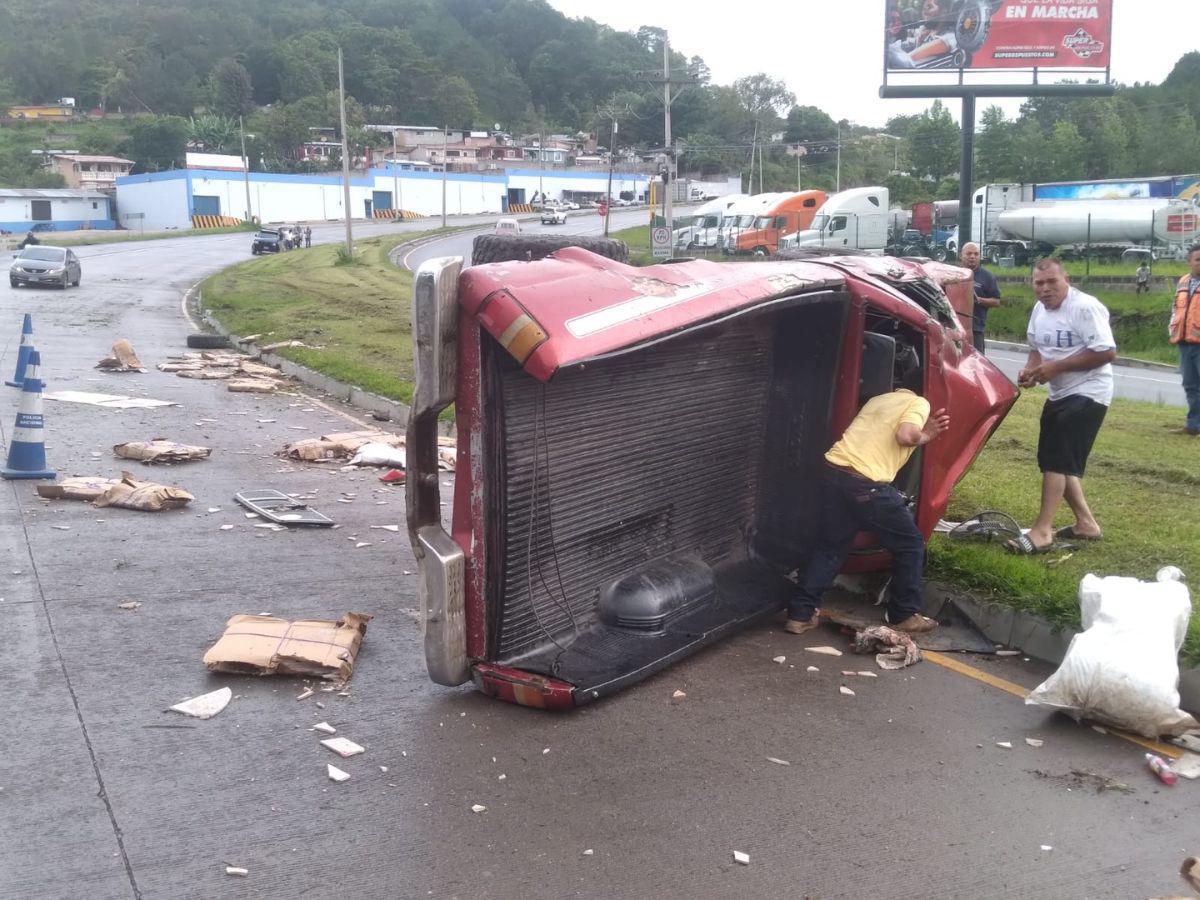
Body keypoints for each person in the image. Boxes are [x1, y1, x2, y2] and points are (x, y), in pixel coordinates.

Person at [785, 373, 950, 636]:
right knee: (910, 544)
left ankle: (800, 615)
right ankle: (905, 614)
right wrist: (927, 434)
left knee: (830, 547)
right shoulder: (919, 403)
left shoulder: (878, 399)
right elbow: (905, 435)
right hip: (866, 483)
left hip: (834, 471)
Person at [1008, 258, 1117, 553]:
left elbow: (1106, 352)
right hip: (1059, 393)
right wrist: (1031, 370)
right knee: (1056, 459)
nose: (1045, 289)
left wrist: (1055, 368)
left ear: (1065, 279)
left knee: (1056, 459)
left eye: (1051, 282)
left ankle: (1043, 530)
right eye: (1039, 283)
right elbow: (1036, 348)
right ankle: (1086, 524)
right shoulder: (1039, 310)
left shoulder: (1084, 307)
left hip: (1089, 392)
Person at [1168, 243, 1200, 436]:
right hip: (1184, 342)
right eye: (1198, 260)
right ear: (1189, 261)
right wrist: (1172, 328)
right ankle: (1193, 426)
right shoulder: (1184, 281)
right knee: (1190, 385)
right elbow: (1176, 308)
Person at [961, 242, 1001, 354]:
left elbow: (996, 301)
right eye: (968, 254)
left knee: (976, 363)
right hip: (954, 328)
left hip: (976, 330)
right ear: (961, 255)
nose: (972, 257)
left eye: (976, 254)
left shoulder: (987, 276)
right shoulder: (953, 274)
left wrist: (978, 300)